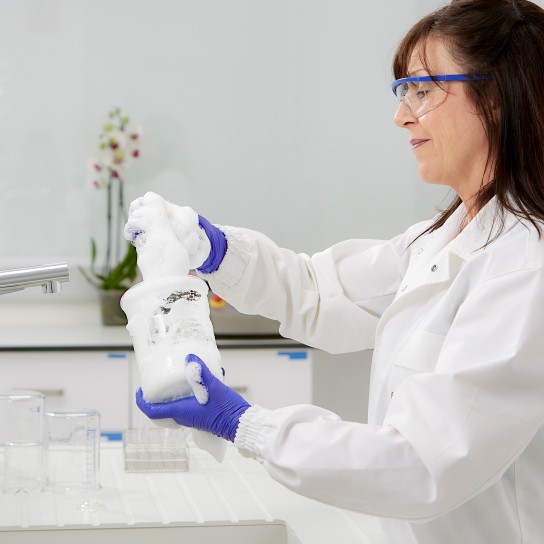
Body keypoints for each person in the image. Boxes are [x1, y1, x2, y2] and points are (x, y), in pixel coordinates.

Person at [125, 1, 544, 542]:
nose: (402, 114)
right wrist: (215, 250)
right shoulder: (445, 238)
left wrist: (247, 426)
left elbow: (422, 464)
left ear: (495, 99)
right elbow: (321, 294)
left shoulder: (524, 268)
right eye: (404, 92)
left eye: (423, 89)